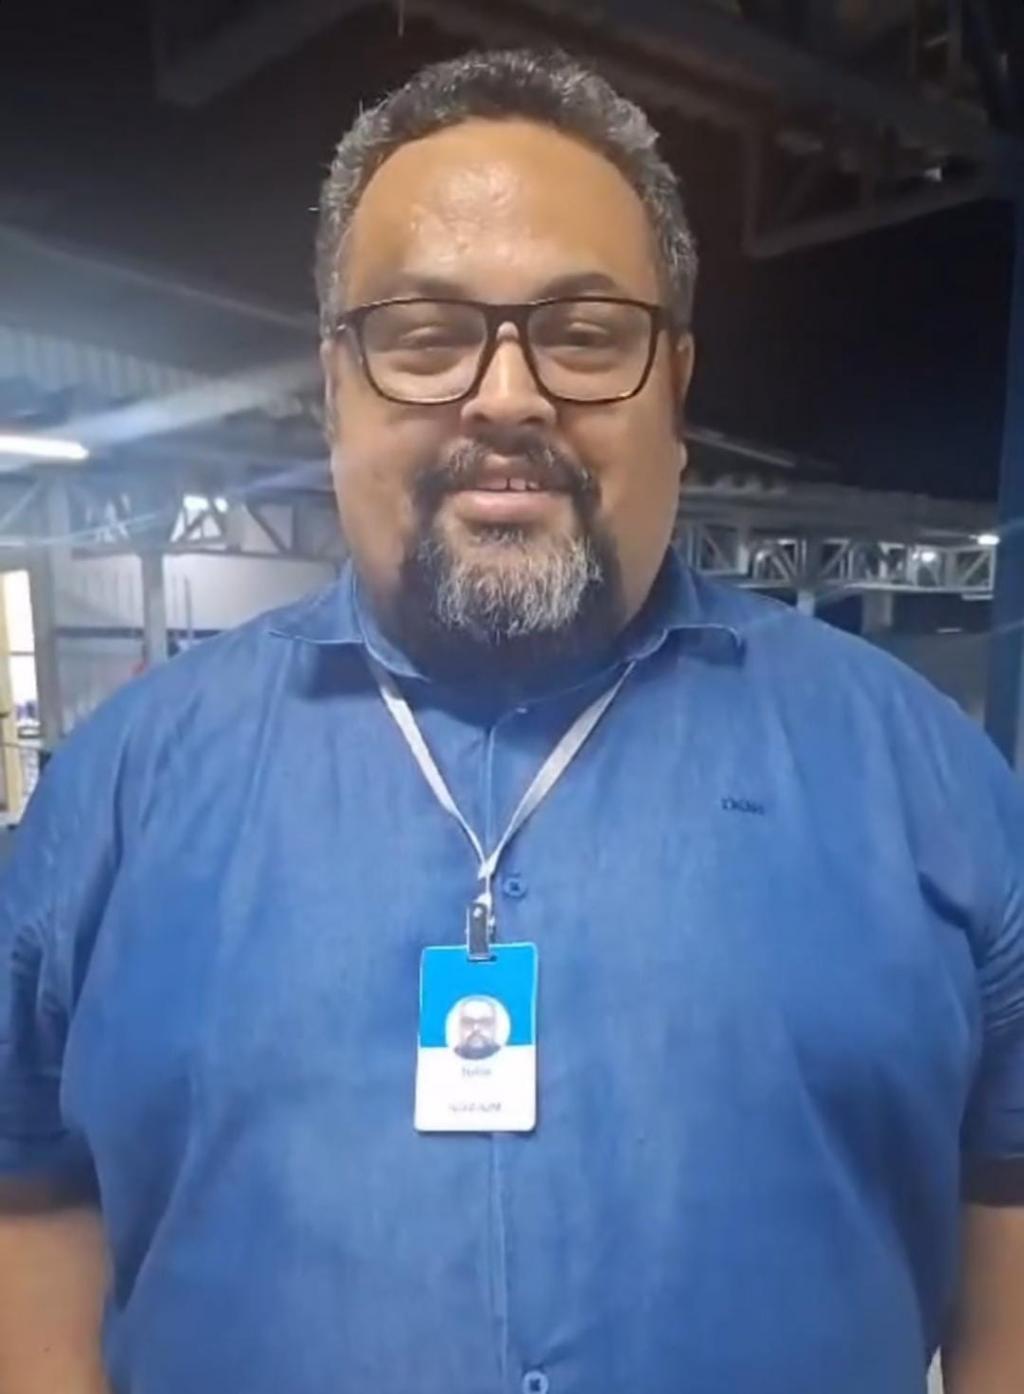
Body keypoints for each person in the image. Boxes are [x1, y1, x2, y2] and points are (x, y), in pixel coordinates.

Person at [0, 47, 1021, 1394]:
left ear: (676, 385)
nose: (506, 396)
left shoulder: (931, 786)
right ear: (335, 384)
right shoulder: (116, 798)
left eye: (584, 335)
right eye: (426, 335)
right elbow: (34, 1205)